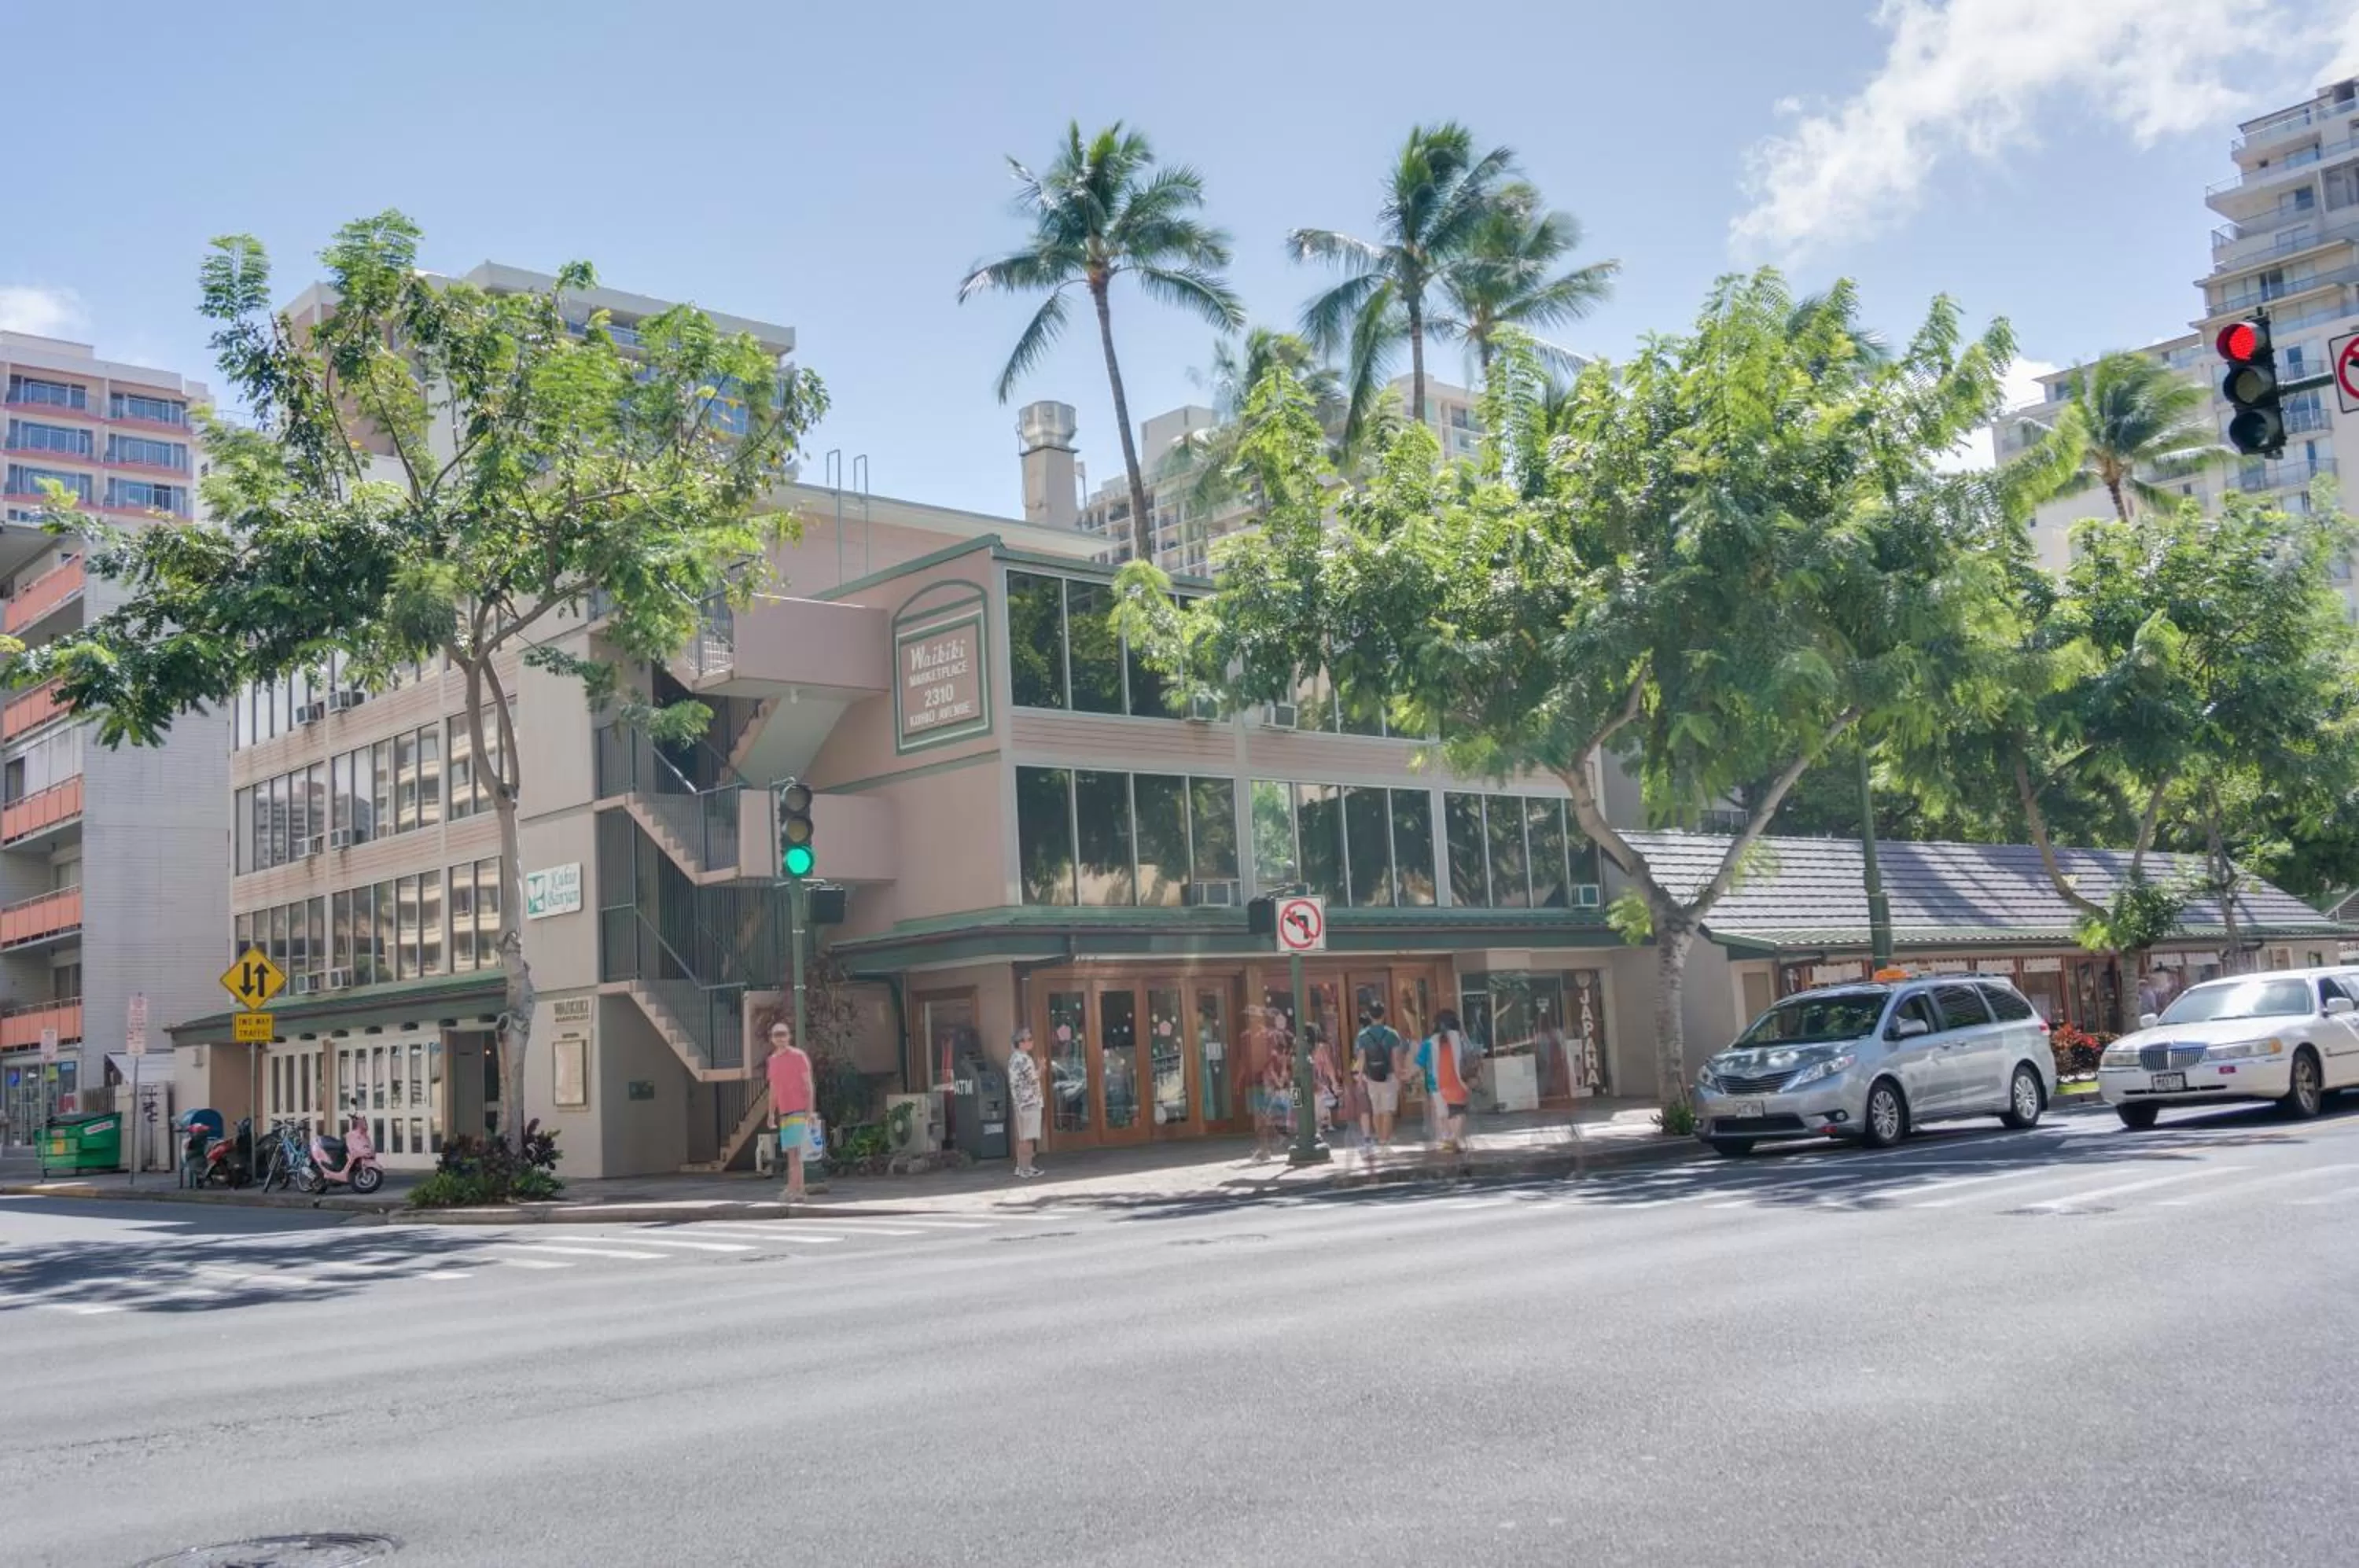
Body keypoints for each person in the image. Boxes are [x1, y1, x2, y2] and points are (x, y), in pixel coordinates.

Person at [1417, 1010, 1480, 1171]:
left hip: (1437, 1086)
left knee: (1442, 1115)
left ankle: (1447, 1140)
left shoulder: (1429, 1043)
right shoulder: (1461, 1040)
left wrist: (1404, 1074)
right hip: (1459, 1084)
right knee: (1458, 1112)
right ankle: (1455, 1139)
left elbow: (1418, 1063)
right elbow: (1473, 1057)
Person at [764, 1018, 815, 1208]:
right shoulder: (773, 1061)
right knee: (793, 1153)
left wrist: (810, 1111)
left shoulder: (798, 1056)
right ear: (772, 1039)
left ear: (789, 1036)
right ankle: (798, 1189)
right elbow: (774, 1089)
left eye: (784, 1034)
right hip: (784, 1111)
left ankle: (793, 1189)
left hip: (798, 1109)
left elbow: (808, 1084)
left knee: (794, 1153)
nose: (781, 1038)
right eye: (777, 1035)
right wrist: (771, 1113)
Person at [1354, 999, 1406, 1150]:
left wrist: (1359, 1078)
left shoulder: (1363, 1035)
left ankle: (1380, 1138)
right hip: (1388, 1076)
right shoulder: (1392, 1034)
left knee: (1376, 1110)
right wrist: (1399, 1076)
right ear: (1383, 1015)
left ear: (1370, 1015)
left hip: (1371, 1076)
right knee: (1388, 1109)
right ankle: (1385, 1140)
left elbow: (1361, 1058)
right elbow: (1395, 1058)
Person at [1006, 1025, 1045, 1179]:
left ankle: (1021, 1166)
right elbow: (1033, 1079)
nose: (1031, 1042)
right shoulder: (1025, 1059)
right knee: (1028, 1138)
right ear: (1021, 1043)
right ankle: (1025, 1168)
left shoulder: (1014, 1058)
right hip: (1030, 1102)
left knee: (1023, 1136)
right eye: (1029, 1039)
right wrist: (1041, 1067)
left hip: (1020, 1103)